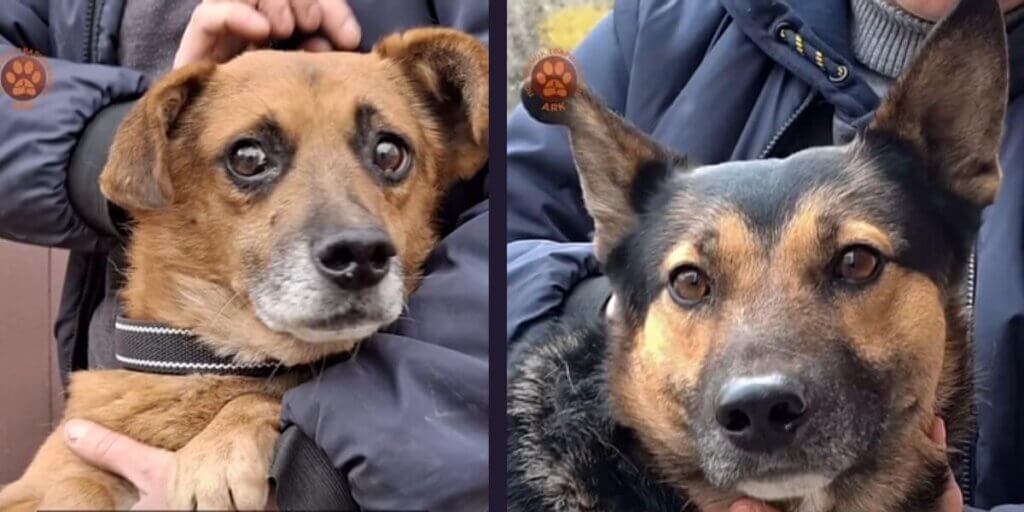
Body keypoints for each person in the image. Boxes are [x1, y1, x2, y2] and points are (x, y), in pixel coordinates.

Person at [506, 0, 1024, 510]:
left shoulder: (939, 165)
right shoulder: (665, 22)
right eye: (693, 283)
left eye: (854, 264)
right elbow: (495, 231)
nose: (759, 388)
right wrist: (612, 303)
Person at [0, 0, 488, 510]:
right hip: (139, 361)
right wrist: (110, 131)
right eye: (250, 159)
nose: (355, 235)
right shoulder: (93, 440)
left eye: (387, 155)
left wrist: (288, 452)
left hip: (408, 421)